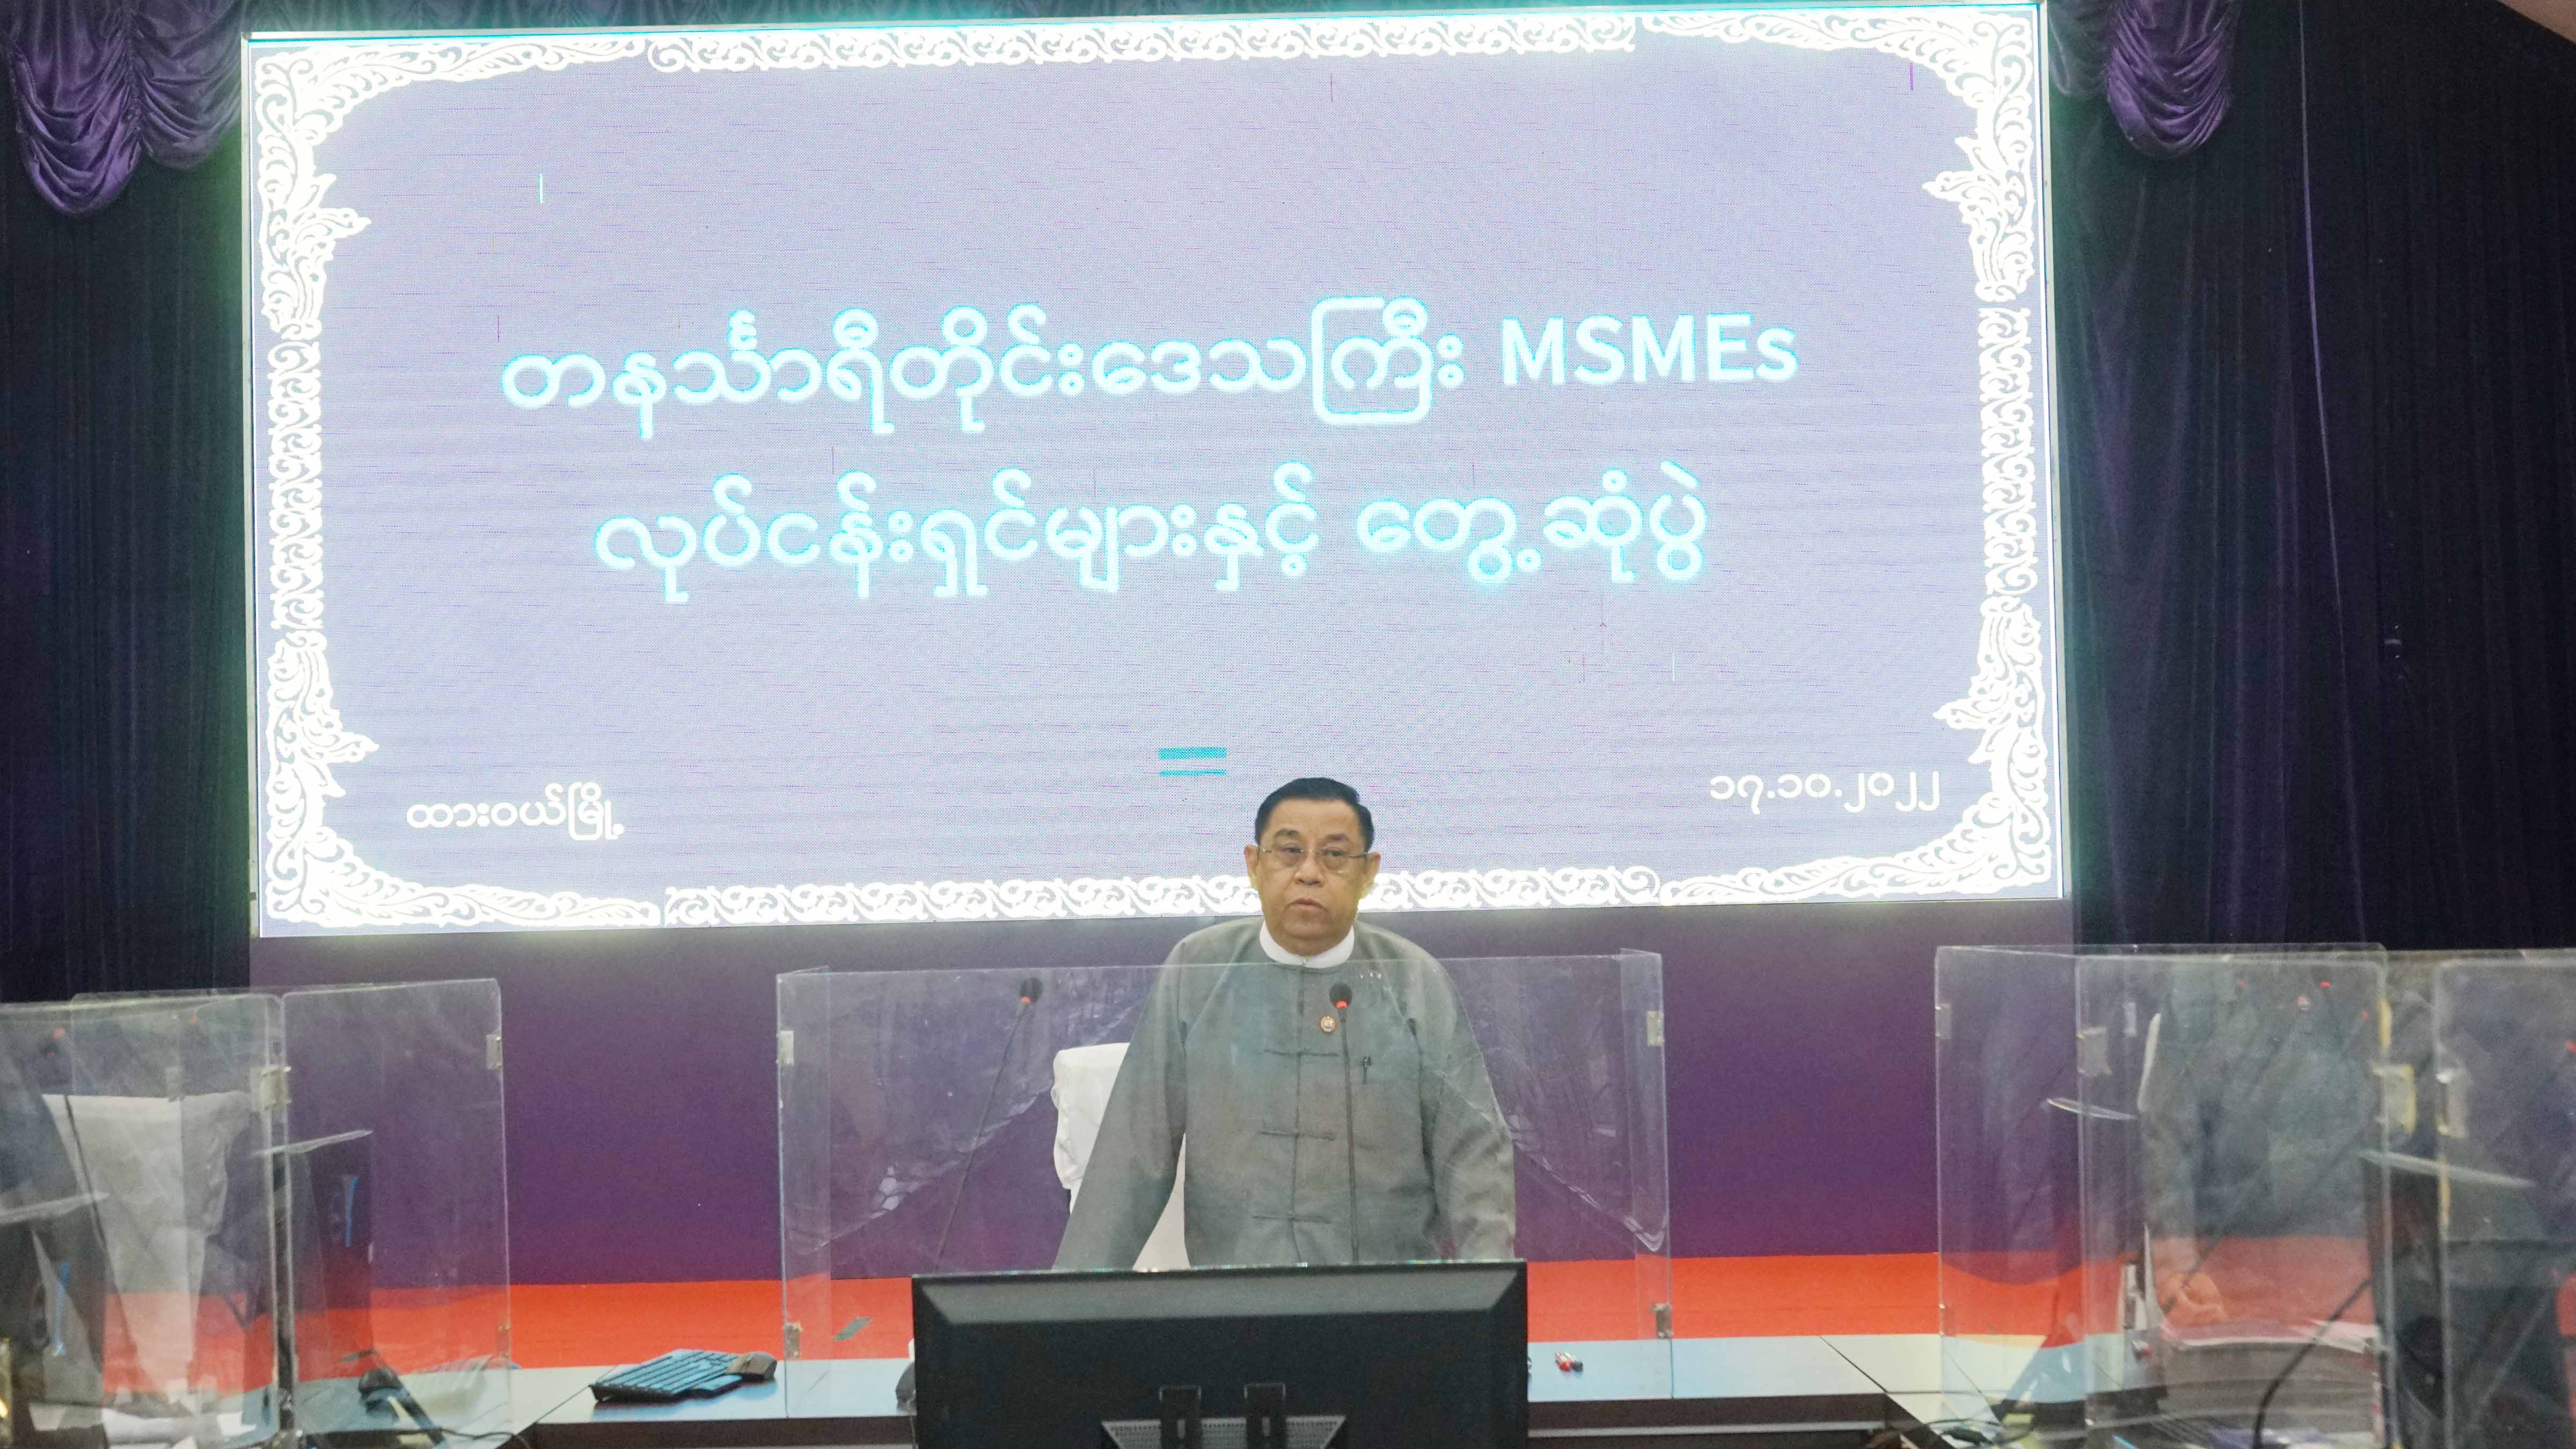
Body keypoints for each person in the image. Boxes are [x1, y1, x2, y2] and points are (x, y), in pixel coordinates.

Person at [1054, 777, 1516, 1271]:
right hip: (1237, 1292)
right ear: (1254, 865)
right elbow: (1134, 1150)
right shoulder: (1199, 969)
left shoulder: (1413, 979)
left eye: (1334, 855)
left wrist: (1490, 1289)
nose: (1309, 873)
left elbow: (1471, 1151)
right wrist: (1074, 1302)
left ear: (1368, 873)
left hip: (1387, 1293)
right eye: (1290, 851)